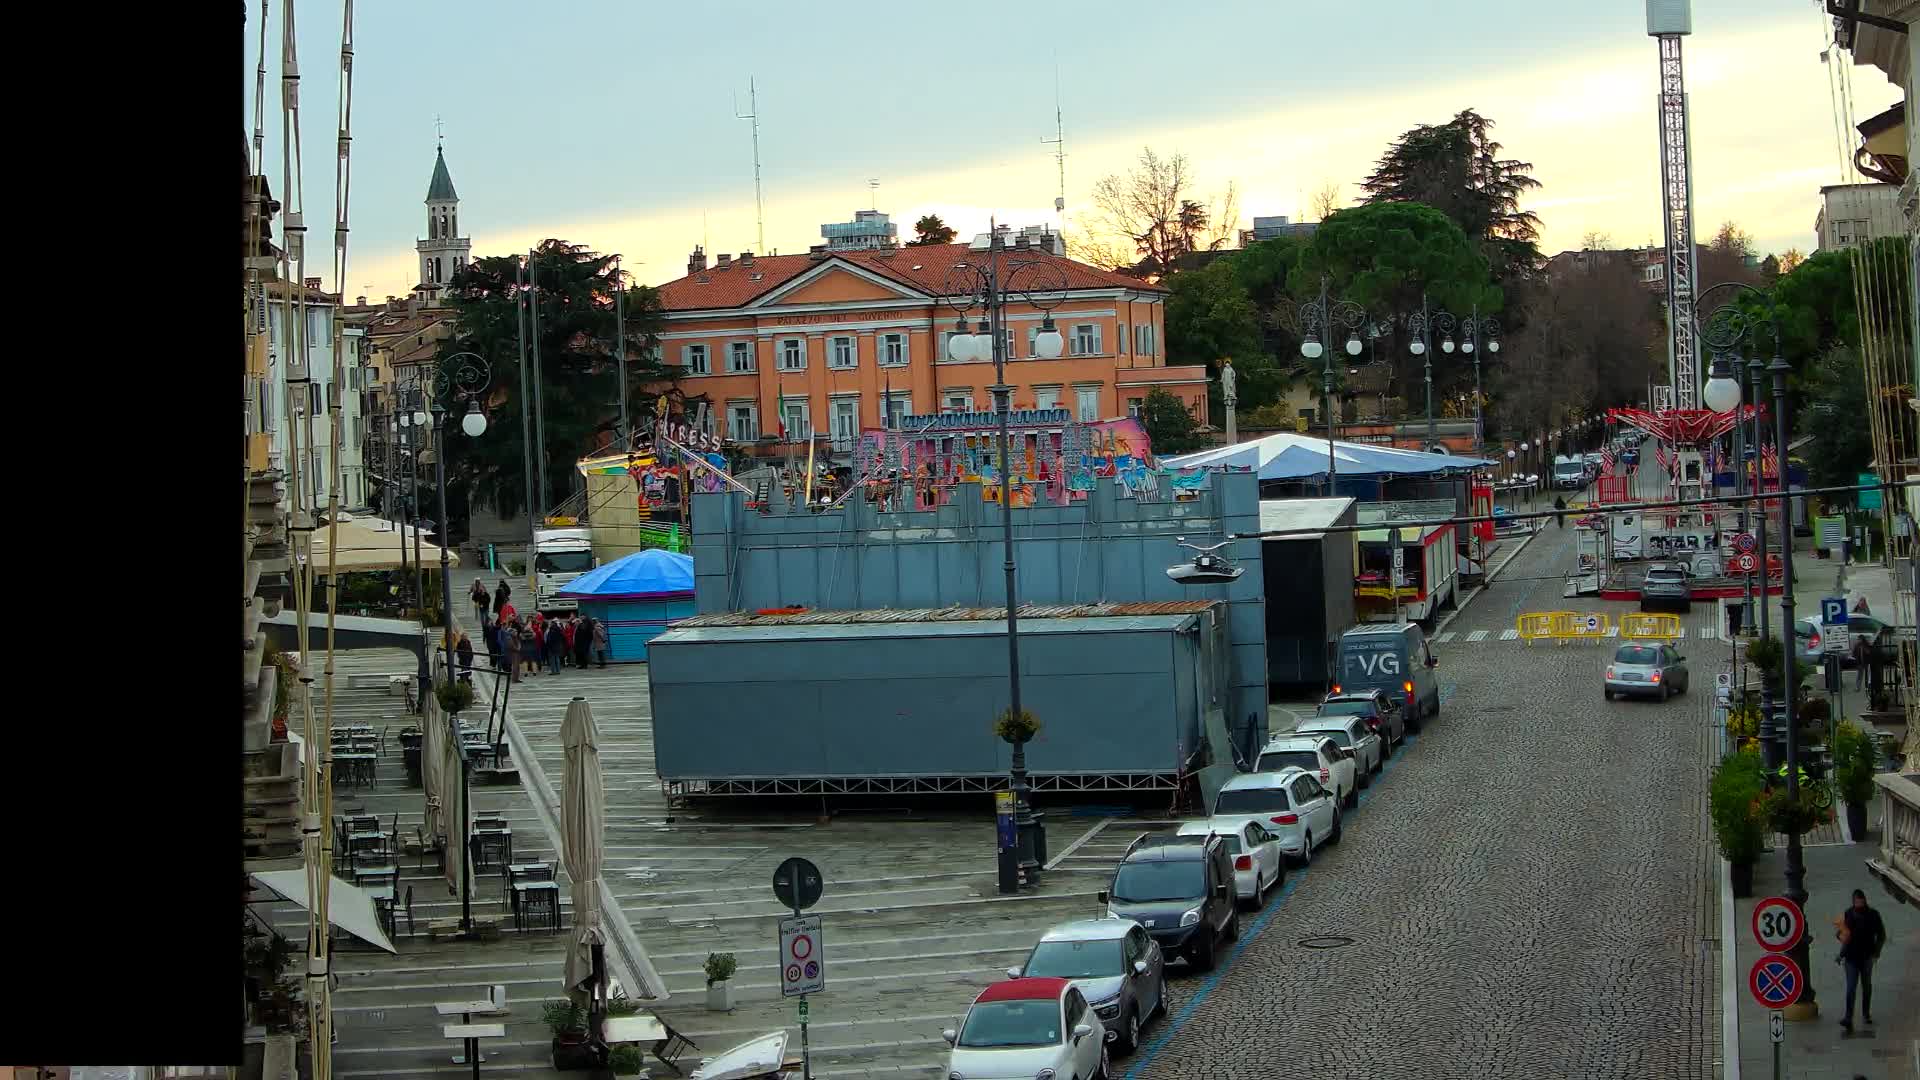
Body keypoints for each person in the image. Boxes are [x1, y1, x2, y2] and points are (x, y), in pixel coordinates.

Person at [1837, 888, 1888, 1032]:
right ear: (1853, 902)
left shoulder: (1873, 915)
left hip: (1867, 957)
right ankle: (1848, 1017)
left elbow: (1882, 935)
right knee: (1851, 988)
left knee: (1866, 986)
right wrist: (1840, 953)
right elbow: (1842, 935)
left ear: (1865, 900)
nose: (1858, 903)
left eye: (1861, 900)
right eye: (1856, 901)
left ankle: (1866, 1013)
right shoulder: (1848, 914)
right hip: (1851, 958)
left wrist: (1876, 952)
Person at [503, 617, 523, 684]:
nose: (516, 632)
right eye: (515, 632)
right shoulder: (509, 638)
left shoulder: (516, 637)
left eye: (516, 631)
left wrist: (519, 647)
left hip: (517, 653)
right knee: (514, 666)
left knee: (517, 667)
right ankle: (514, 679)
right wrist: (517, 649)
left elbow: (519, 643)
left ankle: (517, 678)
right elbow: (511, 646)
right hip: (513, 653)